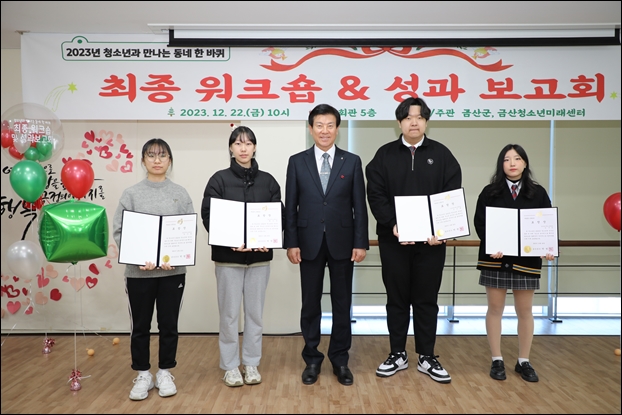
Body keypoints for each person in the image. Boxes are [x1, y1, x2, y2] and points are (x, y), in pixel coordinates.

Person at [365, 97, 461, 384]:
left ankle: (427, 356)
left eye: (419, 117)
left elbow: (450, 196)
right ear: (399, 123)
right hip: (394, 241)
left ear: (426, 121)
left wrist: (441, 231)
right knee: (396, 299)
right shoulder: (384, 155)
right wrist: (393, 224)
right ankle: (397, 353)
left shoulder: (442, 155)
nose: (414, 122)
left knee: (426, 300)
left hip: (431, 244)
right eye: (408, 118)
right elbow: (376, 195)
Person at [284, 104, 368, 386]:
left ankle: (340, 360)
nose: (324, 130)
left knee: (342, 303)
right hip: (307, 243)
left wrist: (360, 242)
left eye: (330, 125)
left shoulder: (351, 161)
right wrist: (291, 242)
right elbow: (291, 206)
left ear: (337, 129)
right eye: (319, 125)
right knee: (310, 304)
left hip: (343, 242)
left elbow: (359, 206)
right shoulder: (297, 161)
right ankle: (312, 359)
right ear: (311, 129)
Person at [200, 126, 283, 387]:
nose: (243, 148)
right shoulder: (219, 180)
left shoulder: (268, 181)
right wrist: (230, 240)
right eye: (238, 143)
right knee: (229, 316)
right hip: (228, 260)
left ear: (255, 147)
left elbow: (277, 215)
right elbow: (208, 215)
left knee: (255, 315)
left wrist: (267, 239)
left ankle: (251, 363)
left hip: (259, 260)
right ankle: (230, 367)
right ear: (231, 148)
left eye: (248, 143)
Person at [112, 138, 194, 400]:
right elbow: (119, 230)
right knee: (140, 326)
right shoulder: (131, 193)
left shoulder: (180, 193)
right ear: (143, 160)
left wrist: (177, 257)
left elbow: (188, 231)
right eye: (151, 155)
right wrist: (136, 257)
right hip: (139, 274)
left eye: (162, 155)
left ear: (170, 160)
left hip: (172, 273)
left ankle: (165, 371)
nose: (157, 160)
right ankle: (143, 374)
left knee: (169, 324)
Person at [474, 144, 555, 382]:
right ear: (501, 164)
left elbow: (545, 224)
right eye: (507, 159)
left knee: (525, 311)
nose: (512, 163)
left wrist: (547, 247)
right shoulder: (489, 192)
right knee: (495, 309)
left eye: (517, 158)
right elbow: (480, 223)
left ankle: (523, 361)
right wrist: (492, 244)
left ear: (525, 163)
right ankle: (496, 359)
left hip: (526, 261)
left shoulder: (538, 193)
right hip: (496, 260)